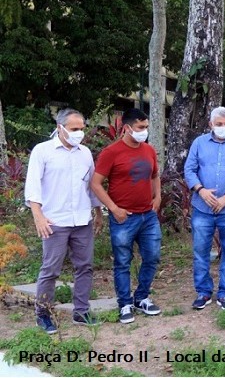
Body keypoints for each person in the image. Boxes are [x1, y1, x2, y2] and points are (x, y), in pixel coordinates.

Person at [24, 108, 104, 333]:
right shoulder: (42, 151)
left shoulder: (85, 153)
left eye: (82, 129)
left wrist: (98, 213)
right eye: (74, 129)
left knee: (85, 266)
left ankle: (81, 311)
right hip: (54, 221)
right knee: (50, 269)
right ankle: (43, 313)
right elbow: (33, 187)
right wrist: (38, 217)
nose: (79, 133)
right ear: (60, 128)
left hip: (81, 220)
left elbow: (90, 186)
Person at [91, 108, 163, 324]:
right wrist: (113, 209)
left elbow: (155, 175)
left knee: (152, 257)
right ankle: (124, 304)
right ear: (127, 128)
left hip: (148, 216)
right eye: (141, 128)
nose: (144, 132)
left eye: (146, 127)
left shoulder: (149, 150)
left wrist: (157, 197)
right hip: (124, 217)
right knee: (122, 261)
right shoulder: (111, 152)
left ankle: (141, 297)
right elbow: (95, 183)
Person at [184, 106, 225, 310]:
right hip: (202, 207)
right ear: (211, 124)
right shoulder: (199, 143)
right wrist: (201, 190)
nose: (223, 127)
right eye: (219, 124)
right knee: (200, 251)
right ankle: (203, 292)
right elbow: (189, 169)